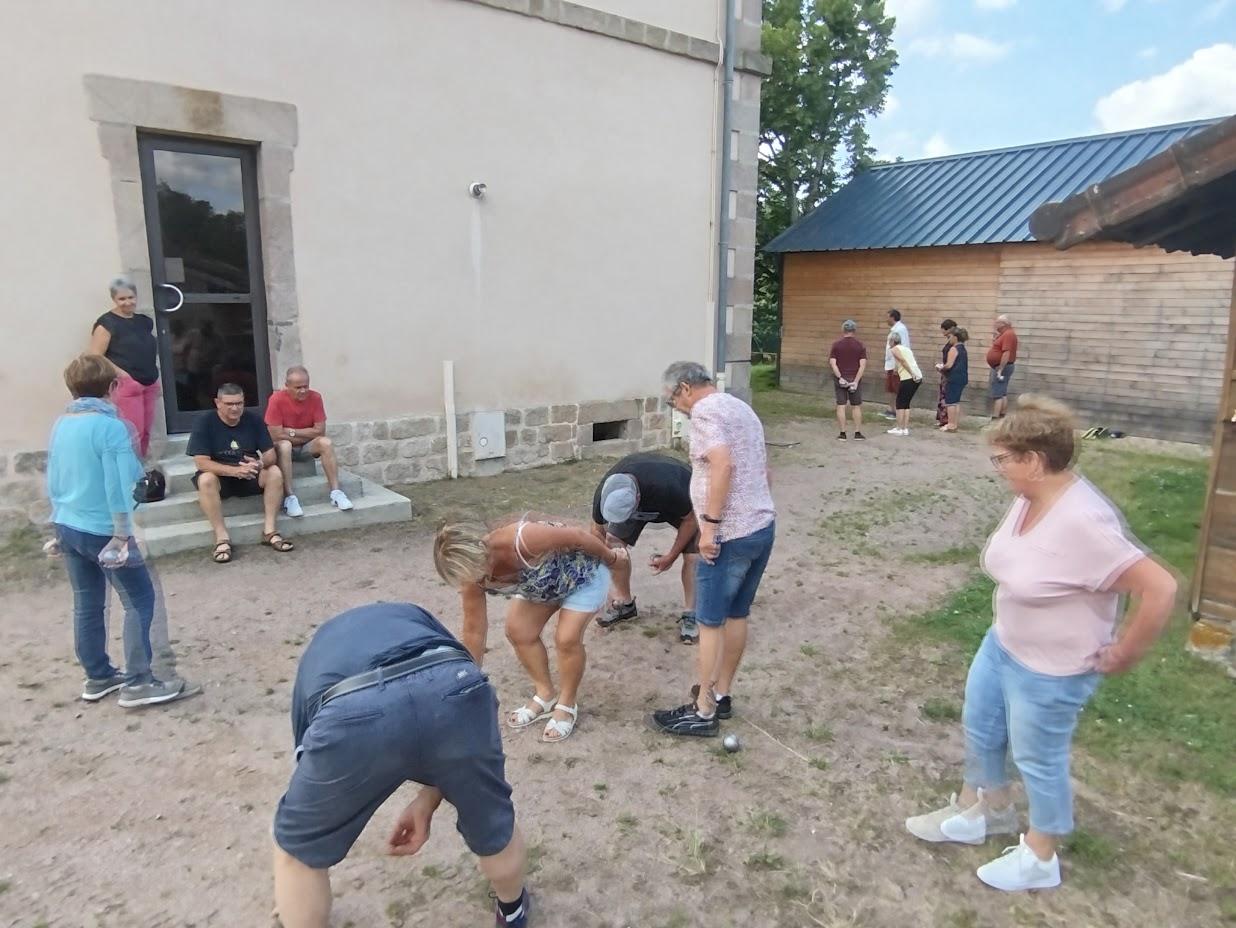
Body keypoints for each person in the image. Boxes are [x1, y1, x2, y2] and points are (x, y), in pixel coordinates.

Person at [905, 396, 1176, 892]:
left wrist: (1126, 650)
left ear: (1033, 460)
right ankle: (985, 810)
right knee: (981, 730)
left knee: (1038, 757)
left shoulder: (1084, 520)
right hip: (1003, 642)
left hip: (1053, 668)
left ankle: (1040, 855)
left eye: (1004, 459)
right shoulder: (1028, 497)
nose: (999, 468)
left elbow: (1160, 588)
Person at [271, 602, 530, 928]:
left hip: (352, 707)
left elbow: (307, 758)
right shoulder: (415, 614)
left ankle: (297, 911)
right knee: (493, 824)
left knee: (298, 851)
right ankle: (513, 911)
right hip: (454, 682)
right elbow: (437, 693)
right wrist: (430, 796)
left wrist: (425, 800)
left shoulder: (316, 655)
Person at [46, 354, 191, 707]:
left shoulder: (62, 423)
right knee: (140, 600)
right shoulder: (112, 427)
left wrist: (57, 523)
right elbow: (120, 485)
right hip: (102, 528)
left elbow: (53, 476)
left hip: (69, 523)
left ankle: (98, 676)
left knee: (88, 602)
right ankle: (139, 682)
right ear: (112, 387)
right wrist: (123, 534)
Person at [651, 362, 775, 737]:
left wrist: (711, 528)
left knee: (709, 622)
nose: (677, 409)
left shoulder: (705, 412)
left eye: (673, 401)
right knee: (737, 614)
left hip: (729, 536)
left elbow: (722, 465)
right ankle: (721, 695)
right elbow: (764, 469)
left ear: (685, 388)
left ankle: (702, 711)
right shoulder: (740, 407)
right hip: (761, 526)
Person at [433, 515, 620, 743]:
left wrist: (612, 559)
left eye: (481, 570)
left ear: (482, 550)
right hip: (544, 585)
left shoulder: (521, 538)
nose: (480, 579)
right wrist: (468, 680)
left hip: (584, 574)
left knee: (566, 638)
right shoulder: (470, 574)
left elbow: (578, 536)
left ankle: (567, 702)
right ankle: (545, 693)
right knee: (518, 630)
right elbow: (474, 630)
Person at [589, 453, 700, 643]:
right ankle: (625, 604)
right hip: (636, 497)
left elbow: (690, 520)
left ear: (638, 498)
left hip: (682, 503)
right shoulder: (604, 494)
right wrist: (606, 561)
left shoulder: (670, 487)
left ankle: (691, 614)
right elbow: (597, 534)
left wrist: (671, 557)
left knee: (694, 557)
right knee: (614, 544)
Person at [187, 383, 293, 562]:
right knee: (205, 479)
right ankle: (222, 538)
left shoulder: (253, 419)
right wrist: (235, 471)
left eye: (239, 403)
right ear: (217, 403)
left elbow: (270, 455)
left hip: (250, 473)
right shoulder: (204, 422)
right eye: (229, 404)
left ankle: (269, 531)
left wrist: (259, 464)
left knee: (274, 471)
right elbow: (201, 462)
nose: (235, 408)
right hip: (221, 477)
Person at [264, 365, 354, 517]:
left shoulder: (315, 397)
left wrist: (290, 431)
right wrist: (304, 433)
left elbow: (320, 431)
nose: (303, 391)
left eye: (305, 386)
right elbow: (275, 434)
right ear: (287, 386)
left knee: (326, 443)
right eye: (298, 387)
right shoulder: (276, 399)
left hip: (307, 446)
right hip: (285, 448)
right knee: (285, 445)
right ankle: (290, 497)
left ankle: (336, 492)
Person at [88, 276, 160, 459]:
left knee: (145, 433)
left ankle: (140, 472)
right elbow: (95, 355)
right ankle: (129, 474)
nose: (128, 302)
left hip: (149, 382)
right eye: (122, 299)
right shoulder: (107, 323)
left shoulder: (144, 321)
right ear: (114, 299)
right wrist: (124, 375)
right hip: (127, 385)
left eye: (131, 297)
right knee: (131, 434)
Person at [827, 319, 868, 442]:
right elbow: (862, 365)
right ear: (854, 330)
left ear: (843, 330)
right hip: (854, 378)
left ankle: (842, 433)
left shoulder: (836, 345)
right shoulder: (860, 345)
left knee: (841, 405)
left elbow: (833, 363)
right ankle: (857, 433)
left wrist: (840, 378)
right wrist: (855, 381)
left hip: (841, 379)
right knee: (856, 406)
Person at [887, 331, 923, 436]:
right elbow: (903, 361)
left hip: (909, 377)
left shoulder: (894, 349)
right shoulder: (906, 349)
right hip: (918, 376)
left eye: (890, 341)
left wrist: (911, 373)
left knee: (900, 402)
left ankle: (899, 427)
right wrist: (896, 369)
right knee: (906, 403)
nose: (889, 343)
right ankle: (905, 428)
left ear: (893, 341)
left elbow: (903, 361)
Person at [936, 327, 969, 432]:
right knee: (956, 402)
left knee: (950, 401)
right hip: (962, 377)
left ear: (955, 337)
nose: (949, 339)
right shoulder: (963, 348)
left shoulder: (954, 349)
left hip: (953, 377)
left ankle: (950, 424)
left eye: (950, 337)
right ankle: (954, 424)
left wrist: (940, 367)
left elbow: (949, 365)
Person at [988, 315, 1019, 421]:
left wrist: (1000, 369)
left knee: (998, 394)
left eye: (997, 322)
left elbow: (1006, 353)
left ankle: (995, 418)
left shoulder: (1008, 334)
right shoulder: (1005, 334)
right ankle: (1002, 416)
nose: (995, 324)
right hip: (1002, 366)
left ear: (1003, 324)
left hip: (1002, 367)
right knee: (1002, 392)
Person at [882, 309, 911, 420]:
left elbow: (903, 347)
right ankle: (891, 410)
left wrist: (898, 365)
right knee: (890, 388)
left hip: (896, 364)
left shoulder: (900, 329)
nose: (886, 319)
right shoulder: (895, 329)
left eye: (887, 316)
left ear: (893, 317)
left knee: (896, 388)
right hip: (890, 363)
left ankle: (898, 411)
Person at [936, 319, 957, 428]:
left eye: (943, 330)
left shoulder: (953, 342)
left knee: (946, 394)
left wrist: (944, 367)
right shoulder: (949, 341)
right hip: (944, 369)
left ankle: (945, 419)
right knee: (943, 393)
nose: (942, 332)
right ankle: (942, 417)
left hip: (948, 371)